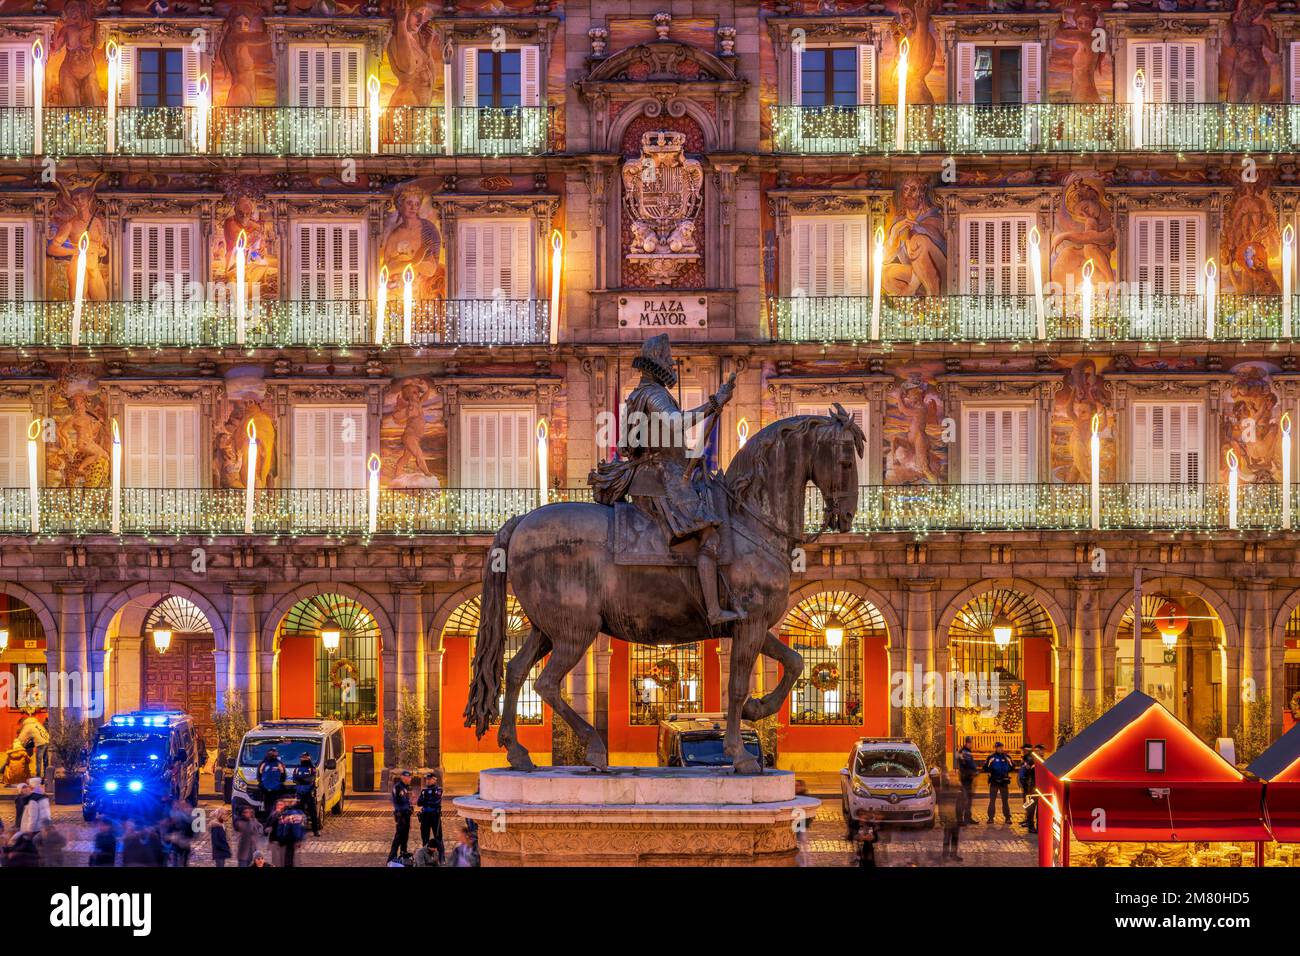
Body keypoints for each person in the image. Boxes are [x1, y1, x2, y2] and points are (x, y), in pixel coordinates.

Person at [590, 333, 741, 626]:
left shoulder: (638, 394)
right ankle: (713, 610)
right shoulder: (654, 395)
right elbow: (675, 421)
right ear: (659, 363)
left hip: (651, 474)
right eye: (669, 361)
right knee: (709, 536)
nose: (672, 366)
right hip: (661, 478)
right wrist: (712, 404)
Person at [268, 797, 306, 868]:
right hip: (283, 841)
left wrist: (297, 839)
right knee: (287, 860)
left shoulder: (290, 814)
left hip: (286, 841)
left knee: (287, 861)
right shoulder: (284, 813)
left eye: (285, 803)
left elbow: (295, 828)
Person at [416, 771, 444, 864]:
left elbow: (436, 802)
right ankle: (426, 858)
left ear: (434, 780)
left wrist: (426, 800)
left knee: (438, 838)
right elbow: (419, 803)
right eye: (426, 779)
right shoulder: (424, 791)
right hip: (425, 817)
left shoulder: (438, 790)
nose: (427, 781)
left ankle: (441, 858)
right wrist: (428, 800)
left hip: (435, 817)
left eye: (429, 779)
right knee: (425, 838)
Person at [983, 741, 1014, 825]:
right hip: (994, 781)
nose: (1000, 748)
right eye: (998, 747)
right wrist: (992, 772)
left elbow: (1012, 767)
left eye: (1001, 747)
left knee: (1005, 801)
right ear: (995, 748)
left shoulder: (1007, 757)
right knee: (992, 800)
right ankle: (990, 818)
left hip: (1004, 781)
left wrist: (1006, 773)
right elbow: (985, 767)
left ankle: (1007, 818)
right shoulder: (991, 757)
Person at [292, 752, 320, 837]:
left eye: (306, 757)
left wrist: (302, 780)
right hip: (300, 793)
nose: (304, 759)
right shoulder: (297, 768)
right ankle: (298, 830)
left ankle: (315, 830)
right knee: (298, 813)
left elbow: (310, 779)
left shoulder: (312, 768)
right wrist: (303, 780)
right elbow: (295, 779)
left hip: (309, 793)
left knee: (313, 813)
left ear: (309, 758)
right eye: (302, 757)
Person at [388, 769, 413, 863]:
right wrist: (400, 813)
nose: (410, 779)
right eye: (408, 777)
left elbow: (406, 802)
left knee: (405, 837)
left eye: (410, 777)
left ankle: (404, 854)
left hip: (406, 815)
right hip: (401, 815)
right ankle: (391, 858)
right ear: (403, 777)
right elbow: (396, 802)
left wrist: (410, 808)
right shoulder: (397, 787)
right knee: (398, 837)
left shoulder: (406, 787)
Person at [936, 777, 964, 863]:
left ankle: (952, 854)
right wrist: (942, 818)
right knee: (947, 838)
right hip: (949, 819)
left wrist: (960, 819)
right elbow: (941, 807)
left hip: (956, 819)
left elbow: (960, 806)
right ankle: (945, 855)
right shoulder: (944, 794)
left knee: (954, 838)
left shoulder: (958, 793)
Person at [256, 747, 288, 819]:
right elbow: (259, 777)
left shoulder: (279, 764)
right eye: (271, 753)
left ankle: (274, 821)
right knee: (267, 807)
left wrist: (278, 785)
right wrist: (263, 786)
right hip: (266, 790)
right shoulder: (263, 763)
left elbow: (283, 777)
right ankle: (269, 820)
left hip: (276, 791)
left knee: (275, 807)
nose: (273, 755)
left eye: (274, 753)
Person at [162, 799, 194, 867]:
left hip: (183, 846)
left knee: (182, 861)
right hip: (176, 846)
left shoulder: (186, 818)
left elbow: (191, 832)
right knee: (177, 861)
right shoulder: (172, 817)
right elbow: (167, 831)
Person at [956, 737, 977, 824]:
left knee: (968, 799)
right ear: (968, 743)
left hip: (968, 779)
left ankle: (967, 818)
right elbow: (968, 765)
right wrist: (974, 771)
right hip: (965, 779)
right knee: (963, 800)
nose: (972, 744)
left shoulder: (965, 751)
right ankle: (960, 820)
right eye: (971, 742)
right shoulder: (965, 752)